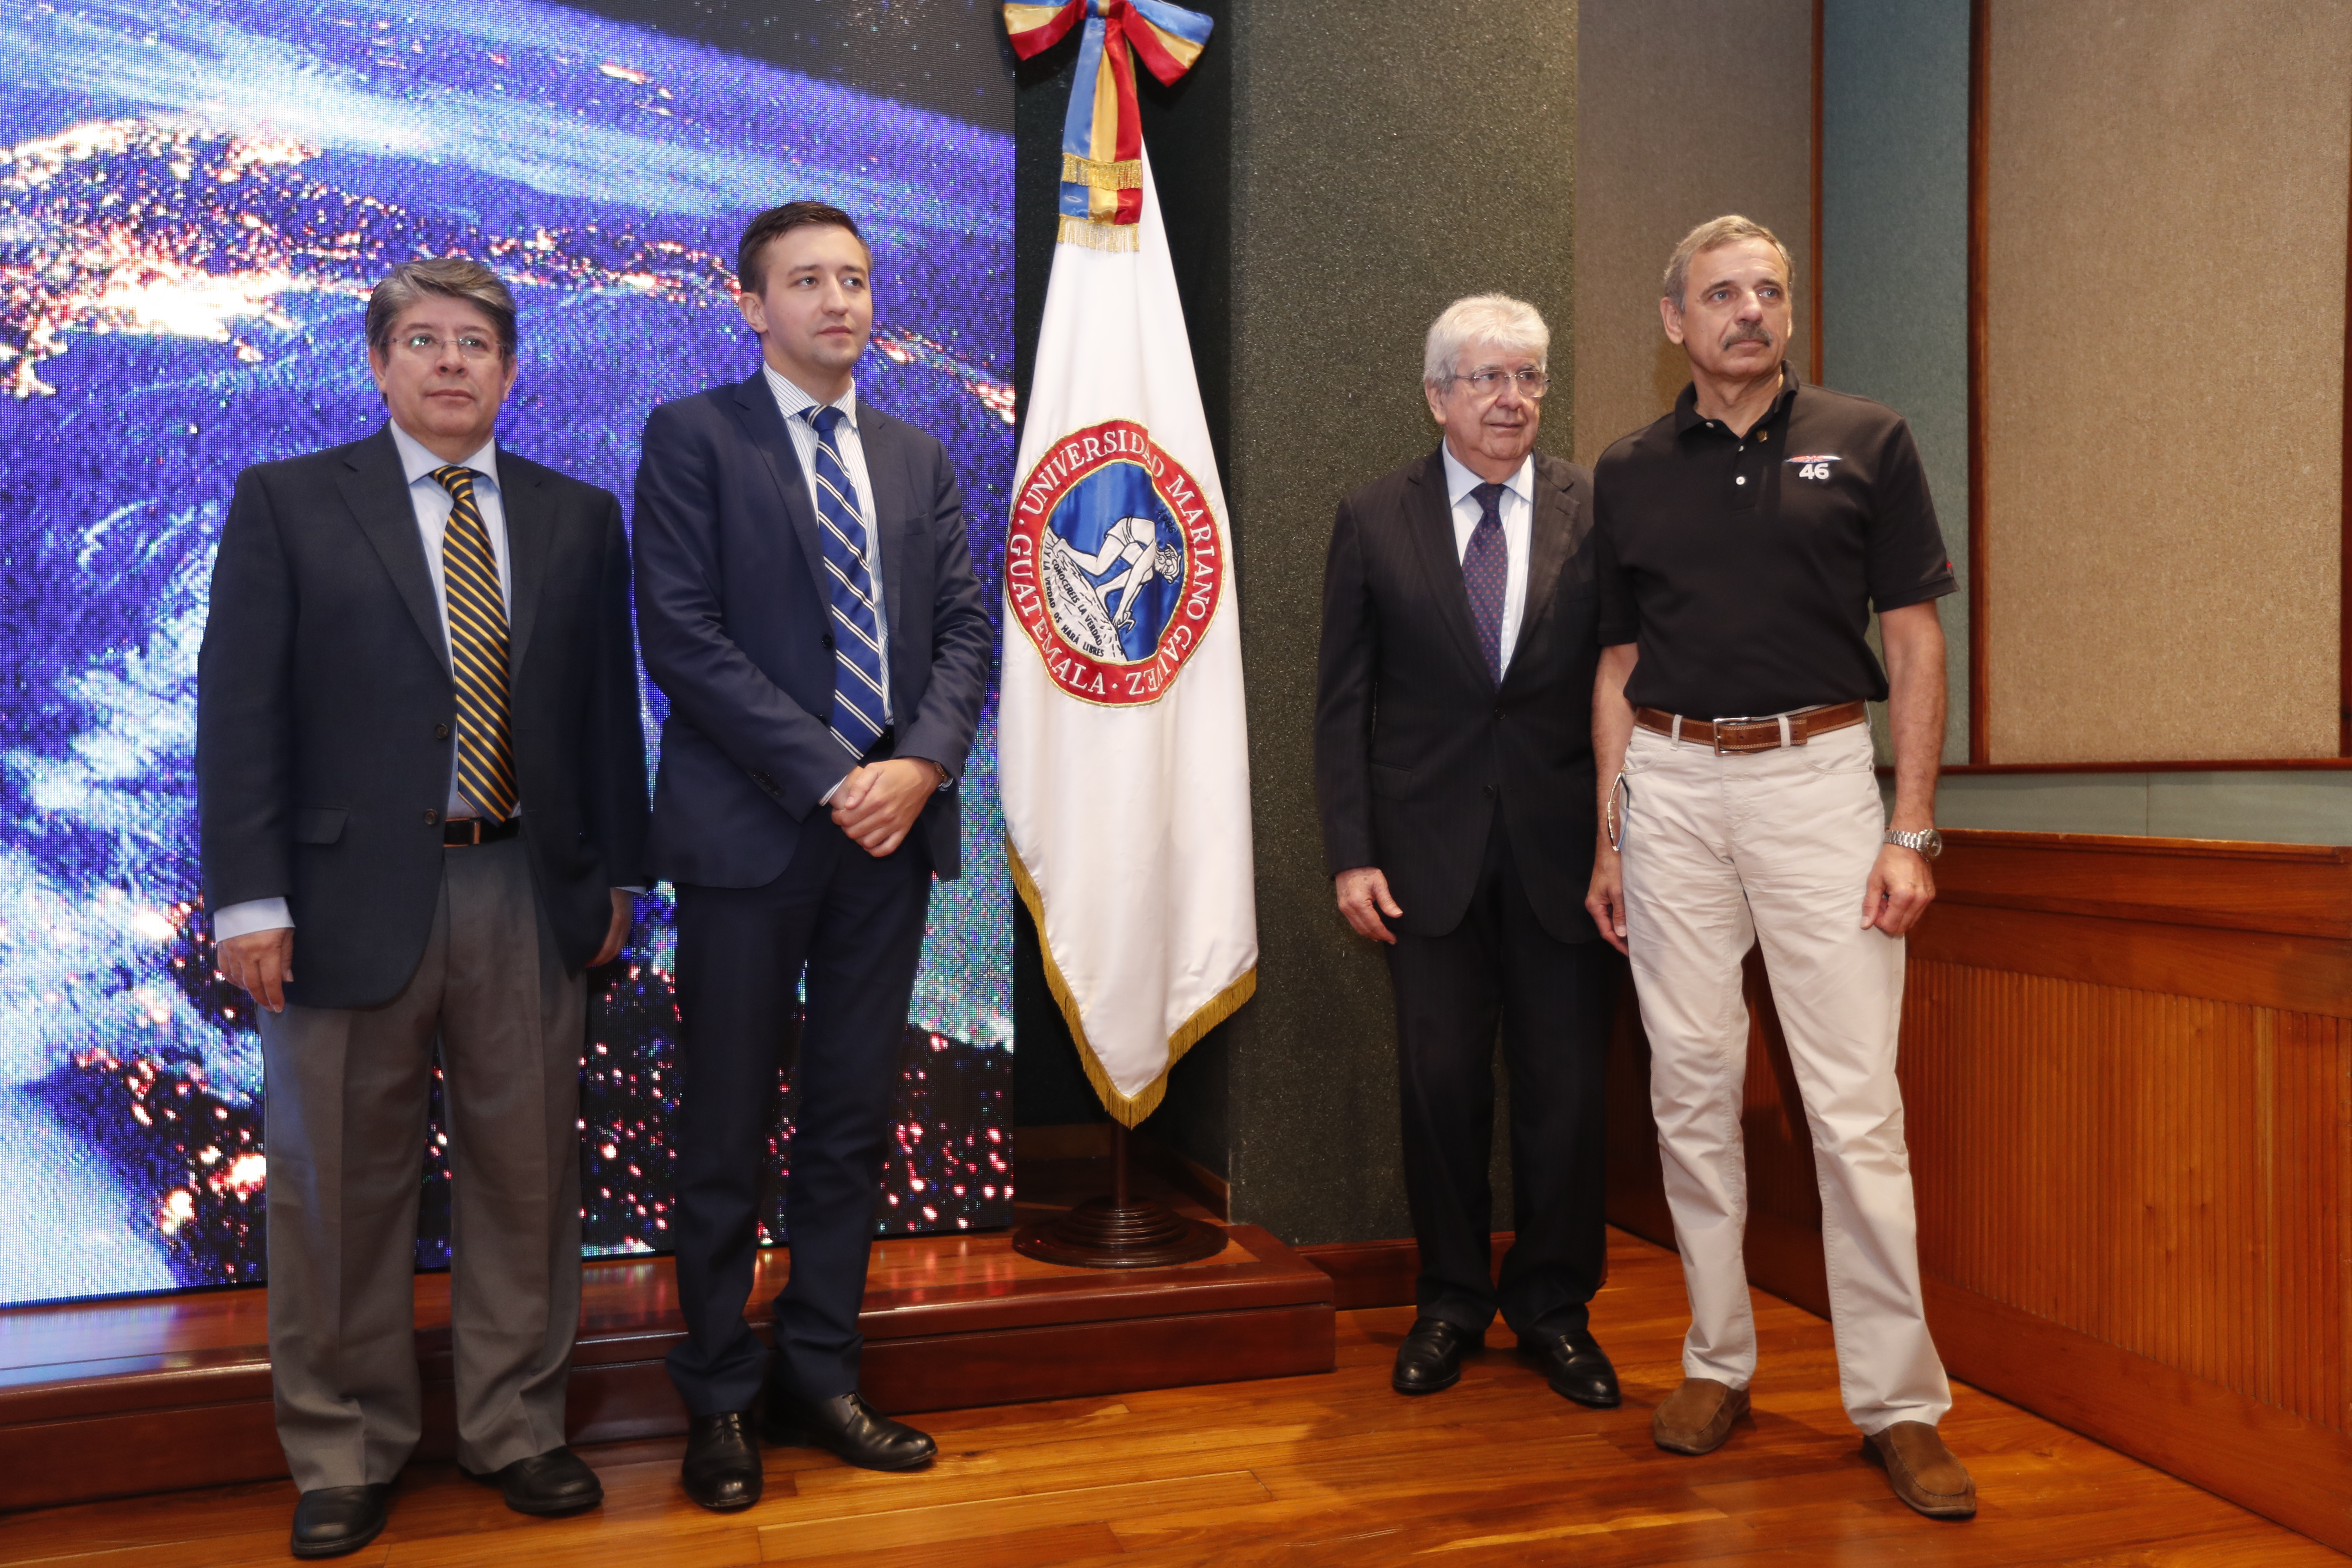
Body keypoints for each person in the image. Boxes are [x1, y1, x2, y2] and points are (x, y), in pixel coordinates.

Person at [198, 258, 649, 1559]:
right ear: (379, 364)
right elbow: (239, 720)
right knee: (337, 1187)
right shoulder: (289, 503)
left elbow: (604, 719)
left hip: (525, 887)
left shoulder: (577, 516)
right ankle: (343, 1450)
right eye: (423, 342)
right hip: (342, 901)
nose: (451, 363)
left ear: (511, 372)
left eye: (476, 344)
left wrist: (619, 875)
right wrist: (248, 901)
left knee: (528, 1175)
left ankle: (518, 1429)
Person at [1584, 215, 1974, 1519]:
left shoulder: (1869, 439)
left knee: (1853, 1108)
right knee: (1690, 1090)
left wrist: (1909, 828)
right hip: (1674, 785)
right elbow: (1617, 670)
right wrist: (1612, 832)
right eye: (1721, 294)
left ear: (1789, 312)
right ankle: (1717, 1360)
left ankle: (1901, 1404)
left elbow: (1914, 644)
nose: (1749, 311)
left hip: (1819, 782)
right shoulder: (1628, 471)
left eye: (1769, 291)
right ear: (1673, 321)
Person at [633, 201, 990, 1512]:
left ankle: (821, 1373)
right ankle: (720, 1396)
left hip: (888, 842)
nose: (838, 300)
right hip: (748, 840)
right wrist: (837, 774)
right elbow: (681, 635)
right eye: (806, 280)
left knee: (846, 1123)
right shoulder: (691, 438)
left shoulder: (915, 454)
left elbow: (963, 631)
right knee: (725, 1125)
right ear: (752, 304)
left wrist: (923, 766)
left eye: (854, 278)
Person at [1314, 294, 1620, 1409]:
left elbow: (1620, 687)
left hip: (1565, 866)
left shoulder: (1600, 507)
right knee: (1441, 1092)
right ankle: (1448, 1301)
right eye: (1488, 378)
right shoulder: (1372, 516)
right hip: (1422, 861)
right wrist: (1351, 852)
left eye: (1531, 377)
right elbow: (1342, 702)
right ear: (1437, 393)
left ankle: (1554, 1309)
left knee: (1567, 1099)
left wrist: (1616, 845)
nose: (1513, 399)